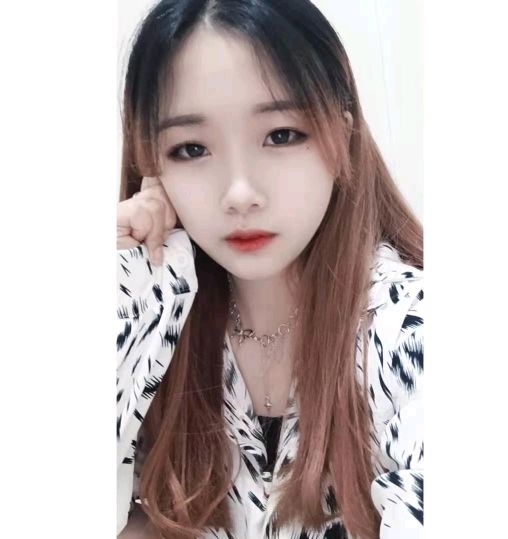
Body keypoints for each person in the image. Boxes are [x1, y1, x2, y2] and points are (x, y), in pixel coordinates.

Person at [116, 1, 423, 538]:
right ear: (152, 168)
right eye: (191, 148)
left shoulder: (410, 330)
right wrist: (126, 291)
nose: (240, 193)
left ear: (342, 135)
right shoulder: (165, 322)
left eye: (281, 135)